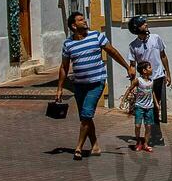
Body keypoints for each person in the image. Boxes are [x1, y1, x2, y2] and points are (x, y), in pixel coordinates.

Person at [54, 10, 134, 160]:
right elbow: (64, 67)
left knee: (86, 114)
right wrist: (59, 89)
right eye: (80, 20)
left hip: (96, 83)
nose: (84, 21)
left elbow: (112, 52)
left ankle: (78, 148)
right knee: (85, 117)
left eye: (84, 19)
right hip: (79, 85)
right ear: (73, 25)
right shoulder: (68, 44)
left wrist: (127, 67)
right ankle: (95, 145)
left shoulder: (96, 36)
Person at [126, 16, 172, 145]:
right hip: (144, 82)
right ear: (136, 28)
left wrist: (168, 73)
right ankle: (153, 136)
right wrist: (133, 82)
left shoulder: (156, 38)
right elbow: (132, 65)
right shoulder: (133, 46)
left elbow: (163, 56)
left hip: (157, 78)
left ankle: (156, 136)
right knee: (148, 108)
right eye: (143, 24)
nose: (146, 24)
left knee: (154, 108)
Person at [125, 60, 157, 152]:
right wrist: (123, 100)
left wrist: (156, 104)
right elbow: (129, 89)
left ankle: (146, 144)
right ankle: (138, 142)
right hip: (139, 107)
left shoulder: (151, 81)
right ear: (144, 70)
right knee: (138, 125)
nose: (151, 69)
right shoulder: (138, 80)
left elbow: (152, 92)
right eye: (149, 67)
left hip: (149, 108)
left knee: (148, 126)